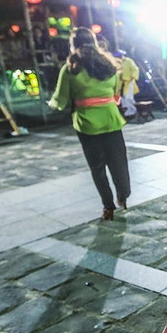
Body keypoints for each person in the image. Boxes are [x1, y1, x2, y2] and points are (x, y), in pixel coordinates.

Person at [49, 27, 130, 221]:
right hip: (111, 119)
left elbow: (60, 99)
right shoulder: (109, 65)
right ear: (94, 42)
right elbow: (115, 92)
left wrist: (52, 104)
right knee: (118, 161)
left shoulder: (71, 69)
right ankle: (123, 195)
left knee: (97, 167)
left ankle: (108, 207)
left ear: (73, 45)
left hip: (86, 123)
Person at [114, 50, 140, 119]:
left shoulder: (128, 61)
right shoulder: (116, 62)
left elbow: (135, 69)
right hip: (121, 83)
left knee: (129, 98)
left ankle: (133, 112)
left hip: (129, 81)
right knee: (123, 98)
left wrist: (133, 77)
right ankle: (127, 113)